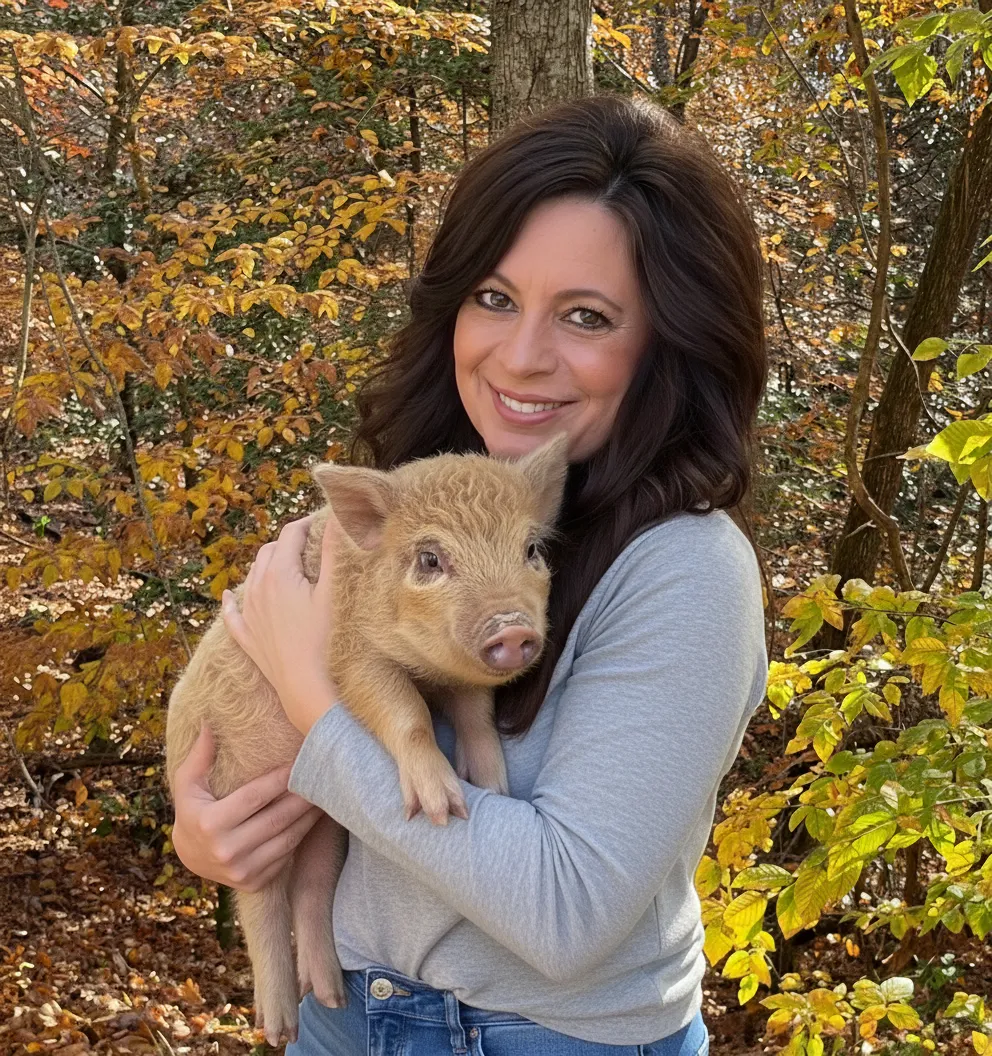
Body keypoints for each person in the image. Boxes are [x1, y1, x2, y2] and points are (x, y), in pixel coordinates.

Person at [170, 93, 769, 1055]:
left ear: (671, 338)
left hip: (545, 1035)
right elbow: (256, 712)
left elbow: (568, 915)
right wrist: (218, 832)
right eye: (494, 298)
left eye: (586, 316)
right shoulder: (422, 499)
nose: (521, 358)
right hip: (348, 1011)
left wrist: (316, 702)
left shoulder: (687, 571)